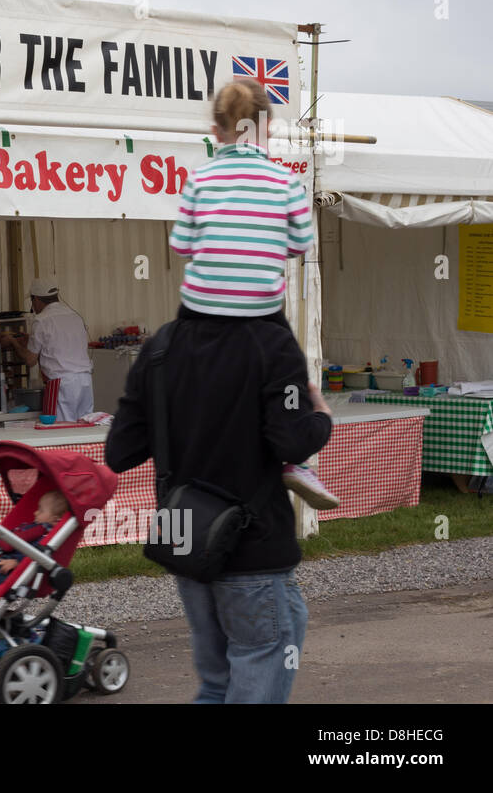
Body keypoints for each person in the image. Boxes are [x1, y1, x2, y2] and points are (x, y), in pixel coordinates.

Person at [104, 82, 335, 703]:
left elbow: (119, 453)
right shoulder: (275, 348)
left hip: (188, 540)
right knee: (263, 654)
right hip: (251, 546)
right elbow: (288, 433)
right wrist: (320, 418)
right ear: (265, 129)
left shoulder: (158, 348)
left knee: (216, 681)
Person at [168, 78, 338, 509]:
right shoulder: (284, 182)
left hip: (201, 316)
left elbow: (180, 246)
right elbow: (301, 244)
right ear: (270, 128)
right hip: (260, 314)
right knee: (290, 376)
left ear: (215, 132)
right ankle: (296, 458)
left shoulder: (200, 179)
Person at [0, 277, 93, 421]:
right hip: (85, 381)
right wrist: (31, 339)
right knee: (84, 427)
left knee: (61, 432)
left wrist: (13, 342)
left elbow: (30, 361)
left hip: (62, 384)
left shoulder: (42, 320)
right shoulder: (75, 316)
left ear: (36, 299)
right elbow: (60, 343)